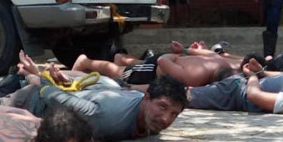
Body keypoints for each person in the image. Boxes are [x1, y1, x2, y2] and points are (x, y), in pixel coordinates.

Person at [0, 75, 188, 142]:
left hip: (69, 92)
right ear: (147, 98)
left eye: (174, 114)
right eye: (162, 107)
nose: (165, 119)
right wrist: (42, 82)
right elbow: (60, 100)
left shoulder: (140, 101)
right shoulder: (110, 120)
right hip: (31, 102)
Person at [72, 41, 240, 88]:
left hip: (167, 62)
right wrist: (173, 56)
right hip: (158, 66)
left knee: (122, 68)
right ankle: (85, 61)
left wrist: (184, 50)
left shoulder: (221, 61)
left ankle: (118, 57)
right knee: (119, 72)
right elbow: (162, 61)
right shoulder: (194, 78)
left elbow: (198, 52)